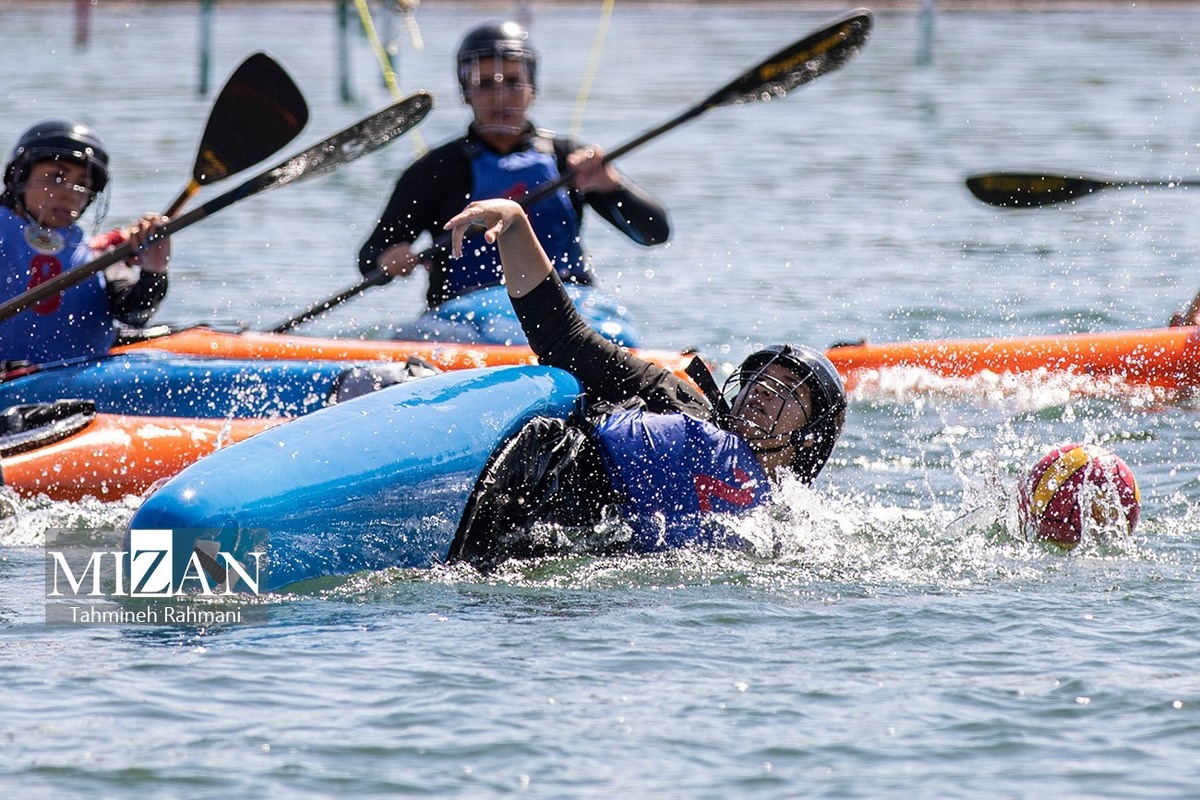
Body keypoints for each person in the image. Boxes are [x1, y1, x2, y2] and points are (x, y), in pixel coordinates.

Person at [442, 199, 847, 568]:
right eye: (760, 377)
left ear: (811, 437)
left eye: (789, 388)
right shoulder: (678, 402)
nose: (763, 388)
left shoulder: (783, 527)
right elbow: (566, 340)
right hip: (532, 500)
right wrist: (515, 225)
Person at [357, 19, 671, 310]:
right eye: (485, 85)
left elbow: (655, 234)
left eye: (513, 82)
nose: (501, 98)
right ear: (466, 92)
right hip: (466, 317)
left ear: (532, 89)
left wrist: (611, 185)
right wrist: (388, 260)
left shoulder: (570, 162)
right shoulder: (435, 170)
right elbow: (370, 257)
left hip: (569, 310)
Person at [1, 119, 170, 366]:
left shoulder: (95, 257)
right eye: (56, 177)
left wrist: (154, 271)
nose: (71, 192)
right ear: (19, 177)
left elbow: (134, 315)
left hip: (80, 387)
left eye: (83, 183)